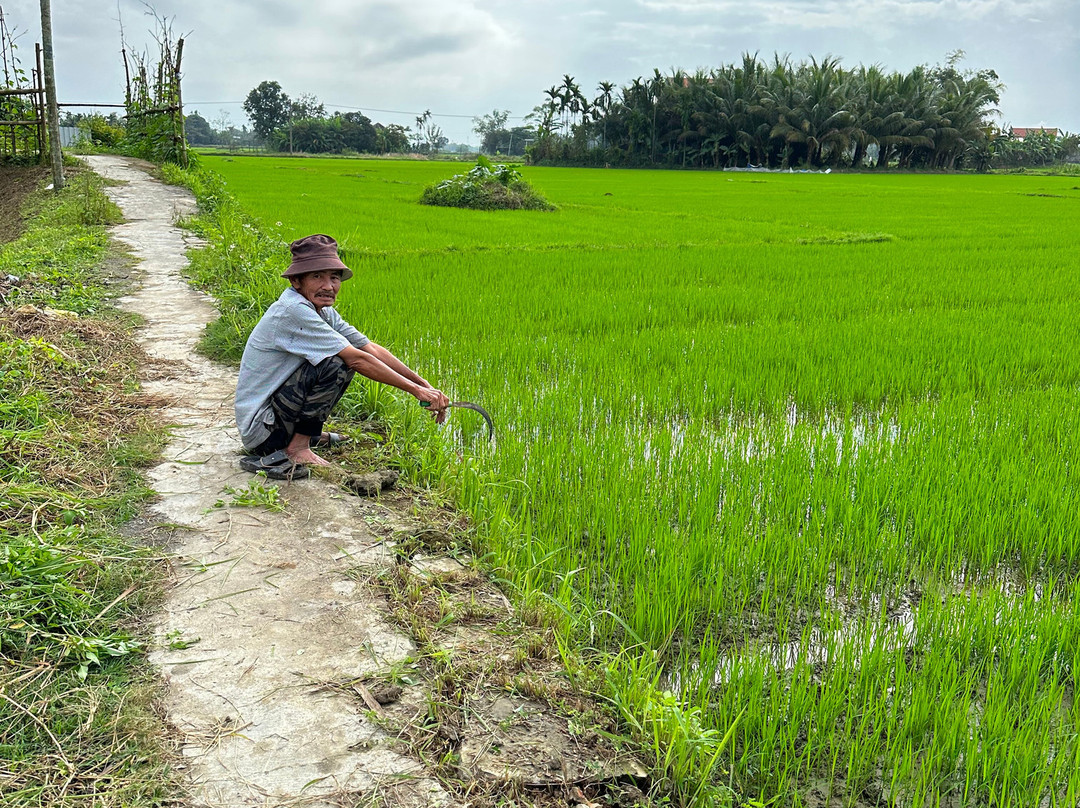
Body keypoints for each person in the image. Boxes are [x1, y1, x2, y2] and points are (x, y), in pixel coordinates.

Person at [235, 234, 448, 479]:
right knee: (336, 364)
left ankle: (307, 435)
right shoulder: (293, 311)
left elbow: (370, 348)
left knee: (338, 359)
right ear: (296, 280)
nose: (329, 286)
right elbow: (357, 359)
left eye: (334, 277)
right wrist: (415, 392)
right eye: (317, 276)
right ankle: (297, 448)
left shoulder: (322, 311)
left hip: (275, 420)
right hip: (262, 431)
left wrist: (423, 384)